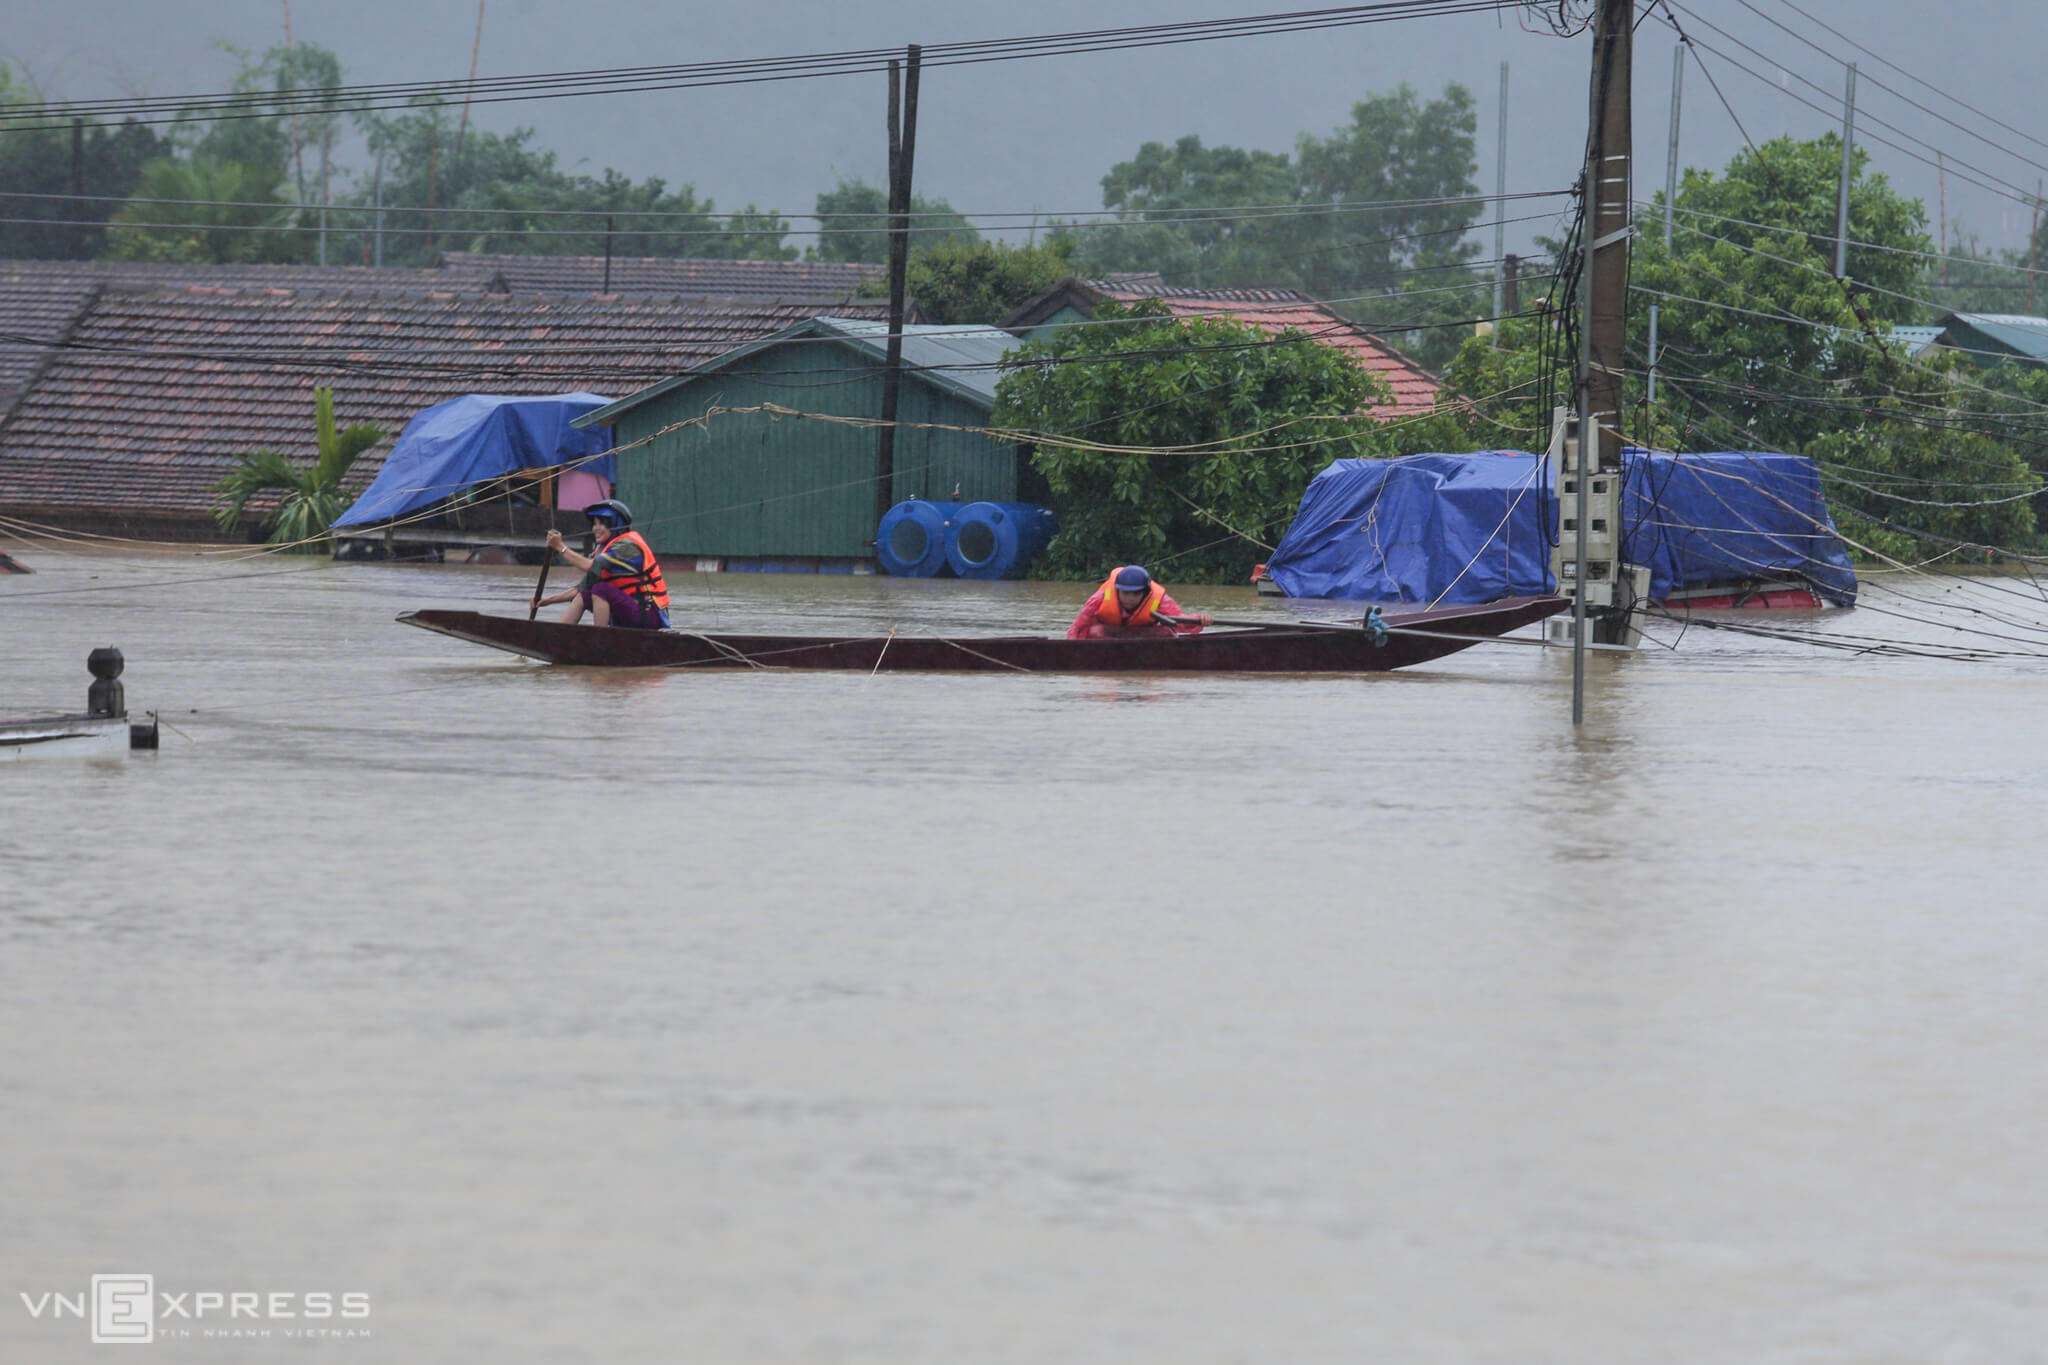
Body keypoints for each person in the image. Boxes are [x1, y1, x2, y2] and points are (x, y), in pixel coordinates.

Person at [535, 499, 671, 629]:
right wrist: (547, 601)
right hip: (629, 614)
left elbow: (588, 566)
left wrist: (560, 547)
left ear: (617, 524)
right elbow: (581, 588)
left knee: (601, 590)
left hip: (648, 615)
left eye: (601, 523)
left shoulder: (627, 546)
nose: (595, 528)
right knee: (585, 594)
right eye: (594, 524)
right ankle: (557, 634)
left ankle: (600, 638)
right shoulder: (604, 550)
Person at [1067, 564, 1211, 640]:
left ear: (1145, 592)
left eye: (1136, 593)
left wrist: (1199, 620)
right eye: (1126, 593)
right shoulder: (1100, 597)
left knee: (1167, 633)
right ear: (1117, 590)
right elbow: (1078, 627)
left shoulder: (1160, 601)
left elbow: (1180, 623)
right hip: (1107, 635)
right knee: (1093, 631)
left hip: (1141, 635)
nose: (1130, 598)